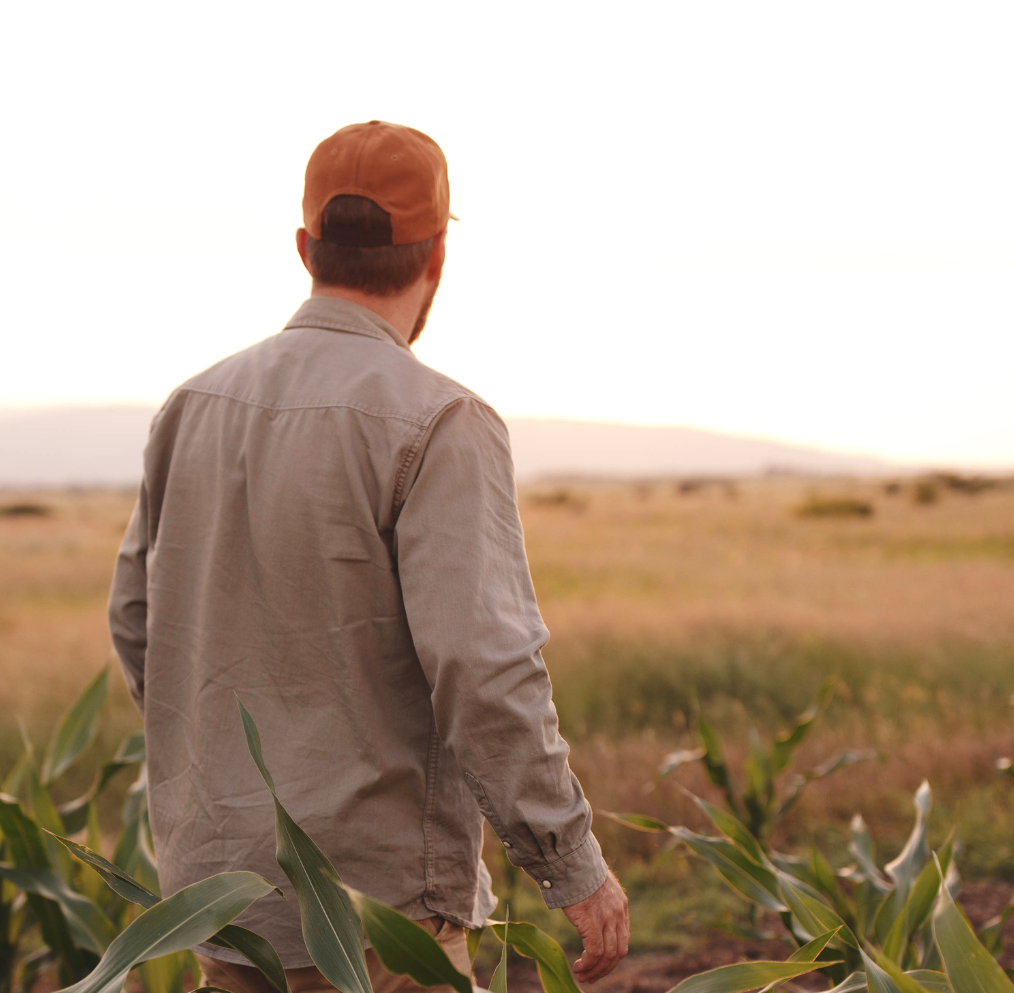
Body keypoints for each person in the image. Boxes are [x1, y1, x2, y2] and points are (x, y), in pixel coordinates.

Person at [108, 120, 630, 993]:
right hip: (379, 923)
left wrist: (222, 777)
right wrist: (572, 867)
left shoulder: (190, 406)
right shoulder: (439, 422)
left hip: (221, 906)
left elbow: (137, 627)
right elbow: (482, 666)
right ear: (436, 261)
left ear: (307, 246)